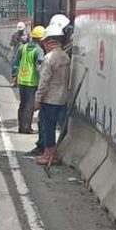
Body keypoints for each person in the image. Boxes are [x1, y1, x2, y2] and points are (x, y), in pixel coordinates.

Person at [34, 24, 71, 165]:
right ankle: (50, 154)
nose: (44, 45)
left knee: (48, 127)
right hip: (62, 98)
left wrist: (37, 99)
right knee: (57, 126)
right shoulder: (65, 57)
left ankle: (49, 155)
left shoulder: (49, 58)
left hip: (49, 99)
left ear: (50, 42)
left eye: (44, 42)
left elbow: (44, 81)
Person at [12, 26, 45, 135]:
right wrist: (42, 81)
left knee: (22, 104)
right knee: (29, 105)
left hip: (22, 80)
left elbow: (16, 62)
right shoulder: (39, 51)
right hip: (32, 81)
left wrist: (14, 75)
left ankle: (21, 126)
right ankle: (26, 128)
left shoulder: (23, 47)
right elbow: (39, 67)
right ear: (41, 39)